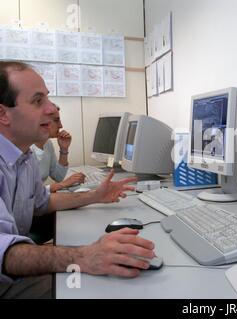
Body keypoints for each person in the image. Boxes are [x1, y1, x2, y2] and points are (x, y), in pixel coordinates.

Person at [0, 61, 155, 299]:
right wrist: (83, 256)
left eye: (48, 99)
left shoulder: (25, 156)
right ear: (3, 114)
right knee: (106, 288)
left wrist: (94, 196)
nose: (52, 110)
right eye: (38, 101)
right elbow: (5, 254)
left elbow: (43, 203)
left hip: (10, 272)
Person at [31, 105, 85, 193]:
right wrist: (62, 185)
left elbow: (58, 177)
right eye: (56, 121)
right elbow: (29, 192)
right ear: (41, 122)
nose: (61, 125)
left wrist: (64, 150)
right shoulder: (25, 148)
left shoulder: (47, 144)